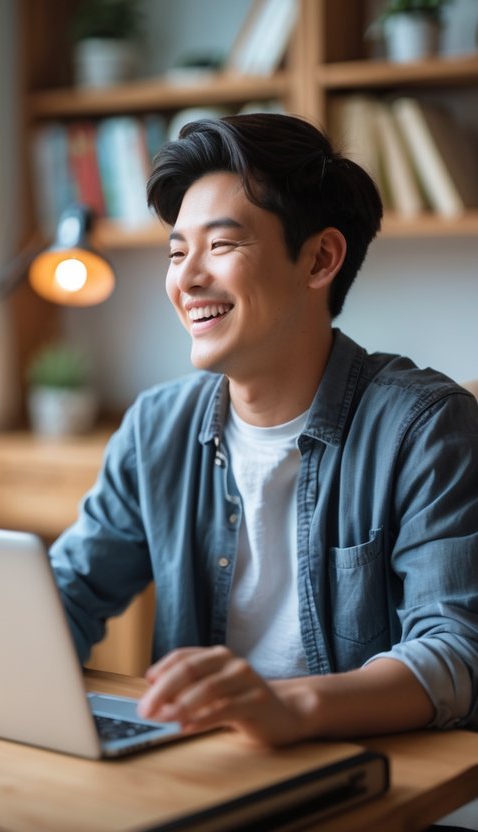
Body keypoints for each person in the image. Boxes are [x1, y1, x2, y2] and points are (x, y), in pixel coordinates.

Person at [49, 113, 478, 746]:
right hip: (196, 767)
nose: (187, 279)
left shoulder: (423, 428)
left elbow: (457, 654)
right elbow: (71, 590)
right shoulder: (156, 427)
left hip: (367, 776)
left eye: (220, 246)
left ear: (320, 259)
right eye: (176, 252)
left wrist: (286, 707)